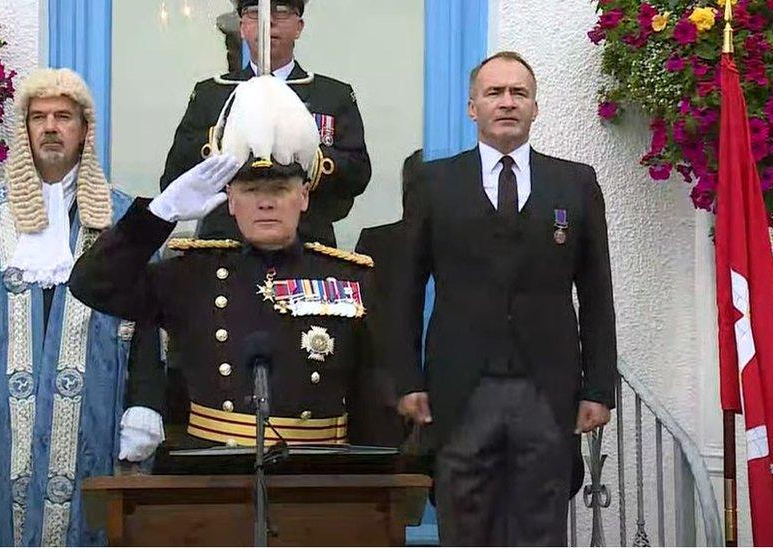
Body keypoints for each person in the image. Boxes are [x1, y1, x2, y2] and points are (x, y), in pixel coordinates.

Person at [69, 76, 386, 460]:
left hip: (318, 476)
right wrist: (159, 214)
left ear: (304, 197)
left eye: (280, 191)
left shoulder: (347, 278)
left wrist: (376, 483)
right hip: (213, 472)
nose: (265, 204)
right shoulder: (191, 275)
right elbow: (91, 283)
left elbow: (375, 393)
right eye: (251, 192)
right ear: (230, 201)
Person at [391, 51, 617, 545]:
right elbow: (404, 288)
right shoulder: (433, 183)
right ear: (472, 107)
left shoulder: (575, 183)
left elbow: (597, 291)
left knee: (541, 526)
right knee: (464, 523)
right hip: (459, 390)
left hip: (547, 387)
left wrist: (598, 387)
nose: (507, 103)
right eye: (495, 93)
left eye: (519, 93)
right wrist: (406, 379)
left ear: (536, 107)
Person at [0, 68, 141, 546]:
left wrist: (145, 403)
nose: (50, 127)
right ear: (25, 129)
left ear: (85, 130)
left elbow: (146, 322)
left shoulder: (120, 217)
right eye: (39, 117)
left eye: (63, 116)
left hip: (97, 408)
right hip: (0, 411)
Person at [159, 0, 371, 246]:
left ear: (299, 27)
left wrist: (311, 158)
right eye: (254, 12)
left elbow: (358, 173)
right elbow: (174, 174)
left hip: (306, 245)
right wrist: (222, 141)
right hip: (226, 247)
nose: (267, 21)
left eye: (280, 12)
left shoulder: (332, 95)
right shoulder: (212, 93)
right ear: (242, 27)